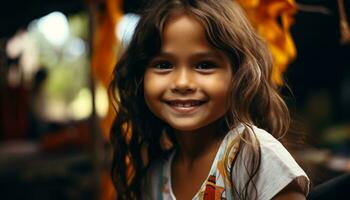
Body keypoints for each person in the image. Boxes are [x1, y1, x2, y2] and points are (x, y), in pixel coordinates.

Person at [109, 0, 310, 199]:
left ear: (239, 74)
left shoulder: (253, 156)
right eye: (163, 65)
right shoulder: (156, 175)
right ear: (140, 77)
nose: (182, 83)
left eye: (204, 65)